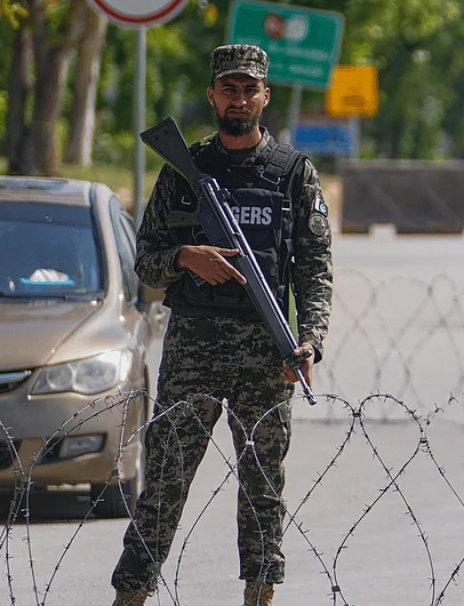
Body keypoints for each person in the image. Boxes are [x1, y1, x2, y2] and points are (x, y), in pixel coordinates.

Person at [110, 45, 334, 606]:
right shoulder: (183, 171)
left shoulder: (292, 175)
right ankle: (131, 594)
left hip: (267, 353)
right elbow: (147, 262)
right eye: (228, 89)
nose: (239, 99)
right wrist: (188, 257)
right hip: (193, 352)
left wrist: (309, 341)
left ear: (265, 96)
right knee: (163, 484)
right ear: (213, 95)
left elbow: (314, 268)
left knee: (262, 490)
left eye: (249, 89)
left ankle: (260, 595)